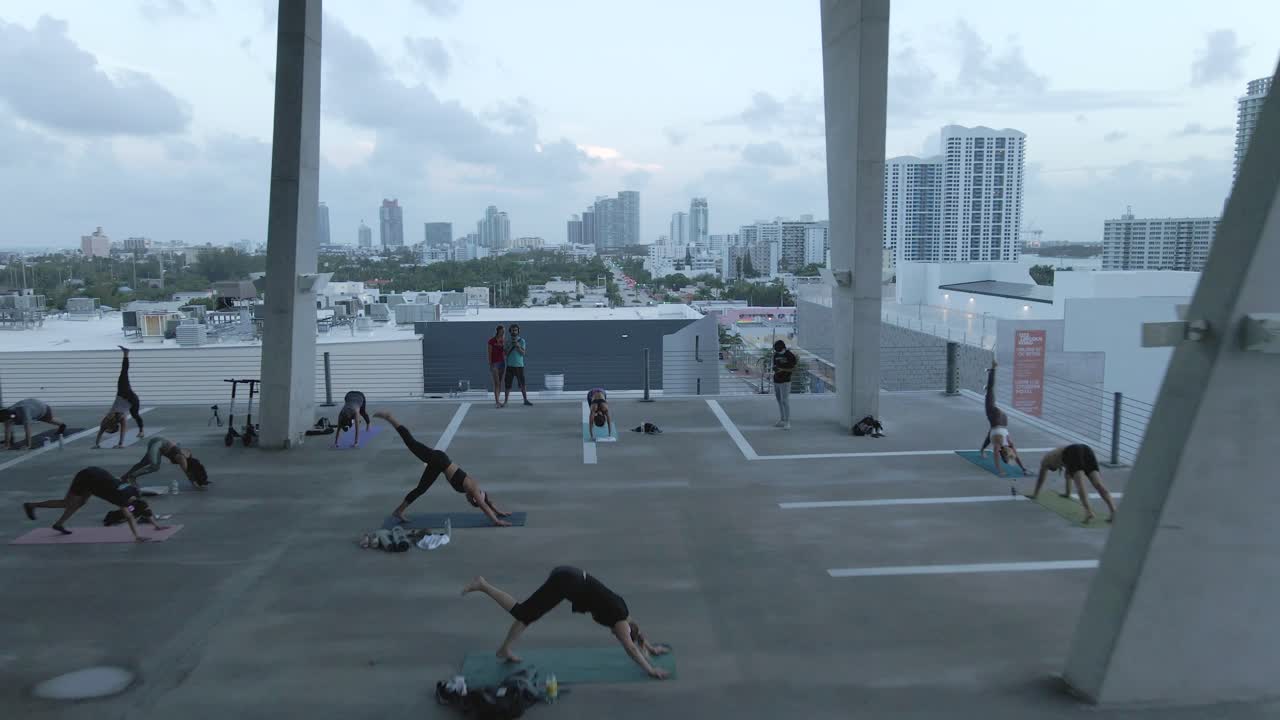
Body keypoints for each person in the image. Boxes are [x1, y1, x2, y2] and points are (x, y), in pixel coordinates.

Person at [461, 568, 670, 679]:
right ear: (625, 631)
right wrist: (650, 670)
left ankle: (505, 649)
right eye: (619, 634)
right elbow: (631, 648)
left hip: (570, 576)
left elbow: (638, 634)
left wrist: (651, 647)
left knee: (527, 616)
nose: (615, 635)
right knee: (523, 612)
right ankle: (483, 585)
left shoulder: (624, 614)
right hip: (566, 582)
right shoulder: (620, 622)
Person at [376, 411, 513, 526]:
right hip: (439, 460)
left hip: (439, 465)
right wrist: (496, 521)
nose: (470, 501)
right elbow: (484, 507)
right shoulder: (473, 488)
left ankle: (399, 511)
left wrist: (499, 512)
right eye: (473, 501)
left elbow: (488, 502)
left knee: (421, 489)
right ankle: (390, 418)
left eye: (473, 502)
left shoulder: (474, 490)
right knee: (412, 443)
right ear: (476, 498)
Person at [22, 466, 168, 542]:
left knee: (80, 503)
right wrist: (137, 536)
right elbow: (129, 517)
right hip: (87, 477)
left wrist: (157, 526)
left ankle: (59, 524)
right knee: (68, 503)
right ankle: (32, 505)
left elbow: (144, 508)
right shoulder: (122, 499)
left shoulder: (135, 492)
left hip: (98, 478)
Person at [1032, 444, 1117, 523]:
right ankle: (1113, 511)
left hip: (1073, 452)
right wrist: (1067, 493)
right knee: (1098, 484)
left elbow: (1041, 479)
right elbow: (1068, 476)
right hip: (1086, 449)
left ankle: (1089, 512)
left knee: (1080, 484)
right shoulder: (1059, 456)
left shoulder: (1045, 461)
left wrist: (1035, 494)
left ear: (1052, 467)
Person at [978, 360, 1029, 477]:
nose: (1009, 454)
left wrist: (1024, 468)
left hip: (1003, 420)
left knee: (990, 393)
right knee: (991, 390)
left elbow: (989, 438)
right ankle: (993, 370)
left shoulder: (1007, 443)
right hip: (996, 418)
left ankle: (988, 388)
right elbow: (997, 456)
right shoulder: (999, 443)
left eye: (1006, 456)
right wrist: (999, 470)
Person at [94, 346, 145, 449]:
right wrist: (120, 444)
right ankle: (141, 431)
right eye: (109, 429)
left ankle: (126, 353)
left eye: (107, 429)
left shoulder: (105, 422)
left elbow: (100, 432)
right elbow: (122, 431)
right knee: (135, 415)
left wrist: (97, 444)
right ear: (113, 427)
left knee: (123, 373)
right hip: (130, 398)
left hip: (124, 394)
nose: (106, 428)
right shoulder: (120, 419)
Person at [121, 436, 209, 492]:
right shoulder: (183, 459)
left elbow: (176, 445)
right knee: (155, 466)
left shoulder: (188, 455)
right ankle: (132, 477)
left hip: (158, 442)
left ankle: (124, 477)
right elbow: (187, 473)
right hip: (158, 444)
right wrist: (195, 484)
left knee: (143, 463)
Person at [1, 398, 67, 450]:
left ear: (11, 417)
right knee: (8, 426)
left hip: (42, 408)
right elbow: (7, 429)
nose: (6, 423)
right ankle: (10, 441)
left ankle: (62, 425)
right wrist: (7, 445)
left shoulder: (25, 412)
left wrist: (28, 445)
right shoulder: (8, 412)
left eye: (7, 421)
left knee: (48, 419)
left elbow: (28, 431)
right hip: (31, 406)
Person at [502, 324, 532, 407]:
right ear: (510, 331)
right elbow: (505, 354)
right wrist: (511, 345)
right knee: (508, 384)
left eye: (515, 330)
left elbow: (523, 353)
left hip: (519, 366)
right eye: (512, 330)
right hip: (510, 366)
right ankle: (505, 401)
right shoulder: (507, 341)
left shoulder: (522, 341)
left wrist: (518, 346)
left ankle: (525, 400)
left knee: (522, 384)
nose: (514, 332)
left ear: (518, 331)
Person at [771, 340, 798, 430]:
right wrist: (776, 370)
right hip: (776, 380)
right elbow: (775, 365)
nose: (777, 352)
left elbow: (793, 369)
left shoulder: (790, 355)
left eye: (778, 350)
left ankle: (787, 421)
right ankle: (782, 419)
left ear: (783, 348)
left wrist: (782, 369)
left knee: (785, 401)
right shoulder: (776, 355)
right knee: (779, 400)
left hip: (786, 381)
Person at [487, 325, 507, 408]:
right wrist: (490, 364)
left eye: (504, 331)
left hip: (502, 363)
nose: (503, 332)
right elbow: (489, 353)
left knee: (500, 383)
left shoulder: (503, 341)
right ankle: (497, 402)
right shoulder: (491, 341)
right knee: (497, 383)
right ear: (498, 331)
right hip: (494, 363)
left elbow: (505, 353)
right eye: (502, 331)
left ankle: (498, 400)